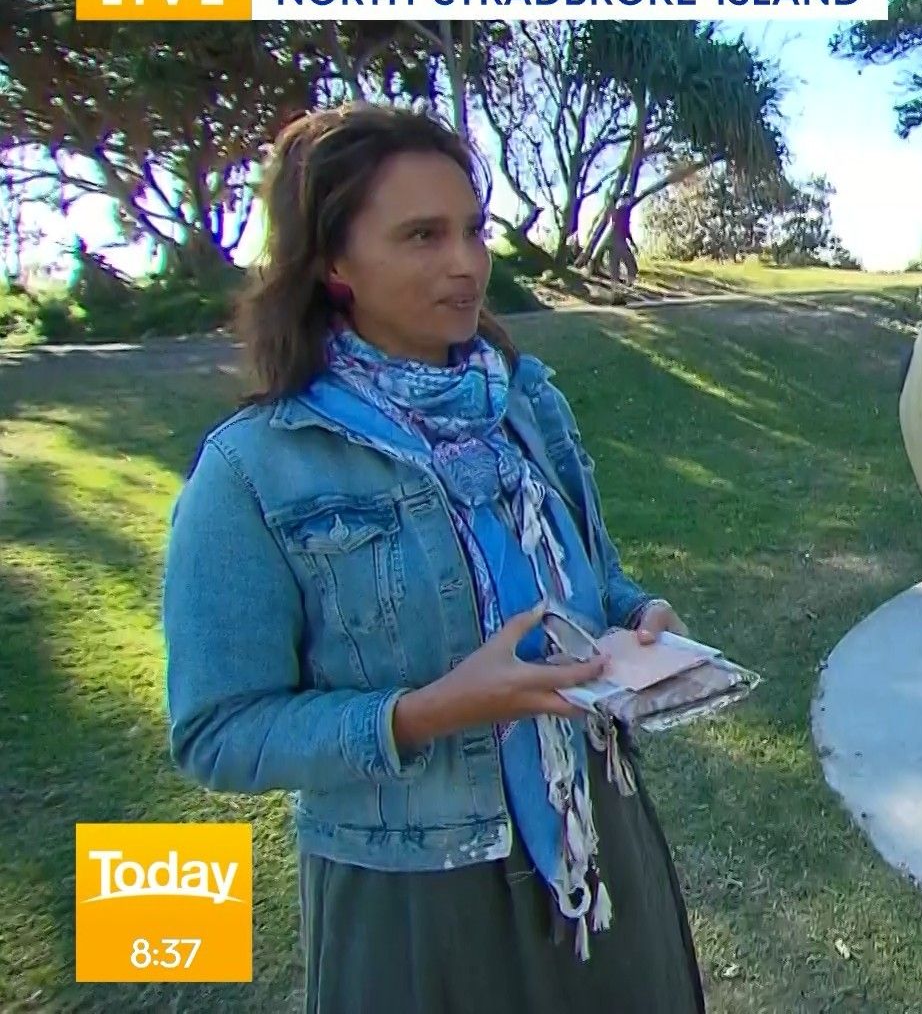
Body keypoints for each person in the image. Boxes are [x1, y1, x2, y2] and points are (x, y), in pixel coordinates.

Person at [161, 103, 706, 1013]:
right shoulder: (253, 470)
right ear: (332, 263)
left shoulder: (527, 407)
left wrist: (638, 618)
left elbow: (598, 582)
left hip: (601, 848)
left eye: (473, 230)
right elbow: (218, 732)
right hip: (420, 900)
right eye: (422, 236)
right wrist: (428, 713)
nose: (466, 263)